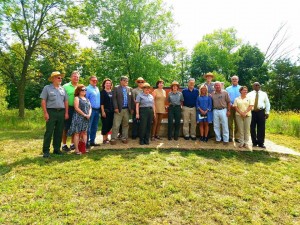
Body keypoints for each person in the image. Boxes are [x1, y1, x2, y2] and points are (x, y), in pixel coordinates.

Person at [40, 71, 68, 158]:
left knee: (59, 131)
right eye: (58, 77)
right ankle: (46, 151)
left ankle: (56, 149)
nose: (60, 79)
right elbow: (43, 101)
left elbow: (66, 101)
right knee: (49, 131)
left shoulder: (62, 89)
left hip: (61, 112)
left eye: (61, 78)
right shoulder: (47, 88)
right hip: (51, 112)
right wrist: (45, 113)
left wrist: (66, 112)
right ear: (53, 79)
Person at [68, 85, 92, 154]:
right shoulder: (76, 98)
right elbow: (76, 108)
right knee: (77, 133)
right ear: (78, 91)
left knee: (84, 132)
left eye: (85, 90)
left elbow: (90, 107)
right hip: (78, 118)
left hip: (86, 118)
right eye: (82, 90)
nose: (84, 91)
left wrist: (89, 114)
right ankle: (77, 150)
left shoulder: (87, 99)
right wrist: (84, 114)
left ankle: (83, 148)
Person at [110, 76, 134, 145]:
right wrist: (116, 108)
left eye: (127, 80)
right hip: (119, 110)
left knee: (125, 124)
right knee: (116, 125)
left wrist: (132, 108)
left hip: (127, 109)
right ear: (121, 81)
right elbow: (114, 99)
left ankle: (124, 138)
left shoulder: (130, 89)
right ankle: (113, 138)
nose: (126, 81)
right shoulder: (116, 88)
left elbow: (132, 100)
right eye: (124, 80)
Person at [247, 82, 271, 148]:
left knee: (261, 128)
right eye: (255, 85)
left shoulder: (264, 94)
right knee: (252, 127)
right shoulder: (249, 94)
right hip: (252, 112)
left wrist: (267, 112)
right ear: (253, 86)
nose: (257, 86)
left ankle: (261, 143)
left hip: (261, 112)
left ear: (260, 86)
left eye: (258, 85)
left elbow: (267, 103)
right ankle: (254, 142)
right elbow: (247, 103)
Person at [62, 71, 80, 152]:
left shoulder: (80, 87)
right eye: (74, 76)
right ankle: (64, 144)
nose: (76, 78)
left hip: (77, 109)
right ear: (71, 77)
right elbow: (62, 98)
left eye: (77, 77)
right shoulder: (65, 86)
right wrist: (65, 111)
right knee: (66, 127)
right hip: (68, 108)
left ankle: (73, 144)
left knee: (75, 127)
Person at [86, 75, 101, 148]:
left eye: (96, 80)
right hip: (90, 110)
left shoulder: (97, 88)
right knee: (89, 126)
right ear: (90, 81)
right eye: (93, 80)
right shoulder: (87, 89)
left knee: (95, 127)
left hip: (97, 110)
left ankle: (92, 141)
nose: (95, 81)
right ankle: (86, 142)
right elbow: (85, 100)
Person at [226, 75, 241, 142]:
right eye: (233, 79)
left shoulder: (241, 88)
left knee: (238, 123)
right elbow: (226, 98)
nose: (234, 80)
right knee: (229, 122)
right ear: (231, 80)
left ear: (238, 80)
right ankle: (230, 136)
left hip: (239, 107)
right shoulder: (228, 89)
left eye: (235, 79)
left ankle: (237, 137)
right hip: (230, 107)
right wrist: (231, 105)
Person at [100, 78, 114, 144]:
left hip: (112, 111)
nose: (108, 84)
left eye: (109, 83)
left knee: (110, 125)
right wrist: (102, 111)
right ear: (104, 85)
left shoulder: (112, 92)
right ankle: (104, 139)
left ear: (111, 84)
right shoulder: (102, 92)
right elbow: (101, 103)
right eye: (107, 83)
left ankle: (107, 137)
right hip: (105, 111)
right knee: (105, 125)